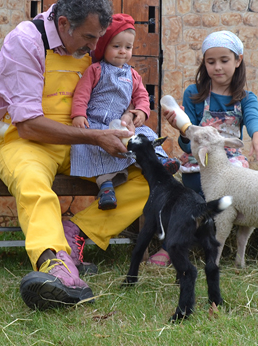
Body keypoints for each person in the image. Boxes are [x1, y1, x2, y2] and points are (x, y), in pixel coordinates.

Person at [0, 0, 150, 310]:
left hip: (81, 137)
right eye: (89, 38)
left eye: (98, 38)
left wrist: (129, 117)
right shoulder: (25, 41)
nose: (95, 46)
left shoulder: (84, 43)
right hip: (26, 140)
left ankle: (75, 231)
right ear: (64, 24)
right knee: (33, 185)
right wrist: (96, 139)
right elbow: (29, 124)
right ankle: (54, 266)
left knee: (147, 178)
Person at [149, 30, 258, 268]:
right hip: (200, 165)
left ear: (238, 60)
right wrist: (181, 130)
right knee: (191, 200)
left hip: (232, 165)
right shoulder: (193, 94)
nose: (217, 67)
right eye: (211, 61)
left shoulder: (246, 98)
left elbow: (253, 119)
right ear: (204, 64)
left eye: (224, 61)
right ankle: (169, 247)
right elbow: (187, 142)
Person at [69, 13, 180, 211]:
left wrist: (140, 113)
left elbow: (142, 98)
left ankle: (161, 160)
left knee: (146, 135)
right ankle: (106, 187)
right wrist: (79, 114)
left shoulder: (133, 75)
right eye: (116, 46)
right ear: (104, 47)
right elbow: (81, 94)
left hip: (122, 123)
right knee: (99, 151)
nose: (123, 52)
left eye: (128, 47)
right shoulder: (95, 70)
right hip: (96, 123)